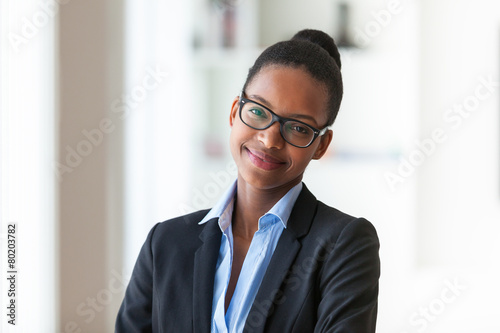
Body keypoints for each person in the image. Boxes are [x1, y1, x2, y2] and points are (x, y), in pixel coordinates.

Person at [115, 29, 380, 333]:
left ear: (321, 145)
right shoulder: (165, 244)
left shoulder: (344, 245)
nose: (269, 139)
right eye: (257, 111)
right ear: (234, 112)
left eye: (298, 128)